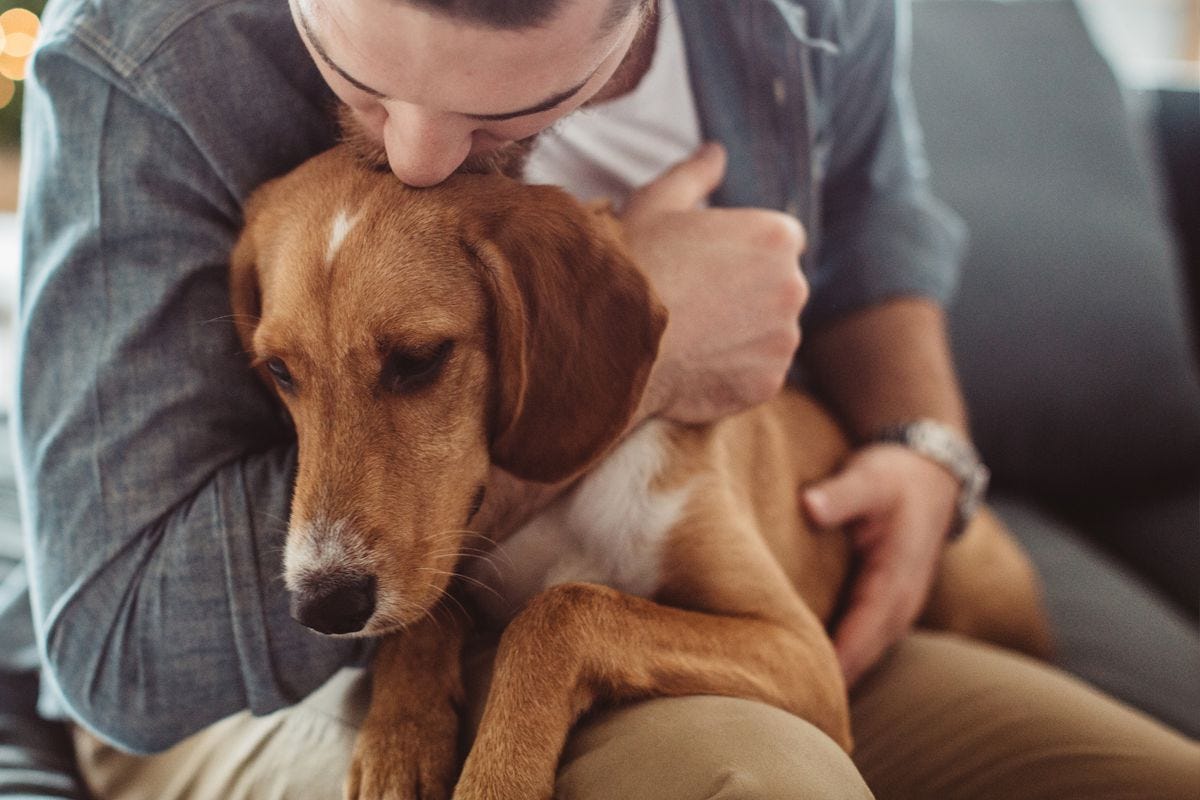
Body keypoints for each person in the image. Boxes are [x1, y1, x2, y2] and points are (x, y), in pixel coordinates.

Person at [9, 0, 1197, 797]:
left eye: (499, 113)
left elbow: (877, 203)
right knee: (754, 778)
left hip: (743, 620)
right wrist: (658, 357)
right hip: (232, 683)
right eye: (359, 71)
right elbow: (117, 653)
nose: (418, 157)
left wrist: (925, 444)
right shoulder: (140, 53)